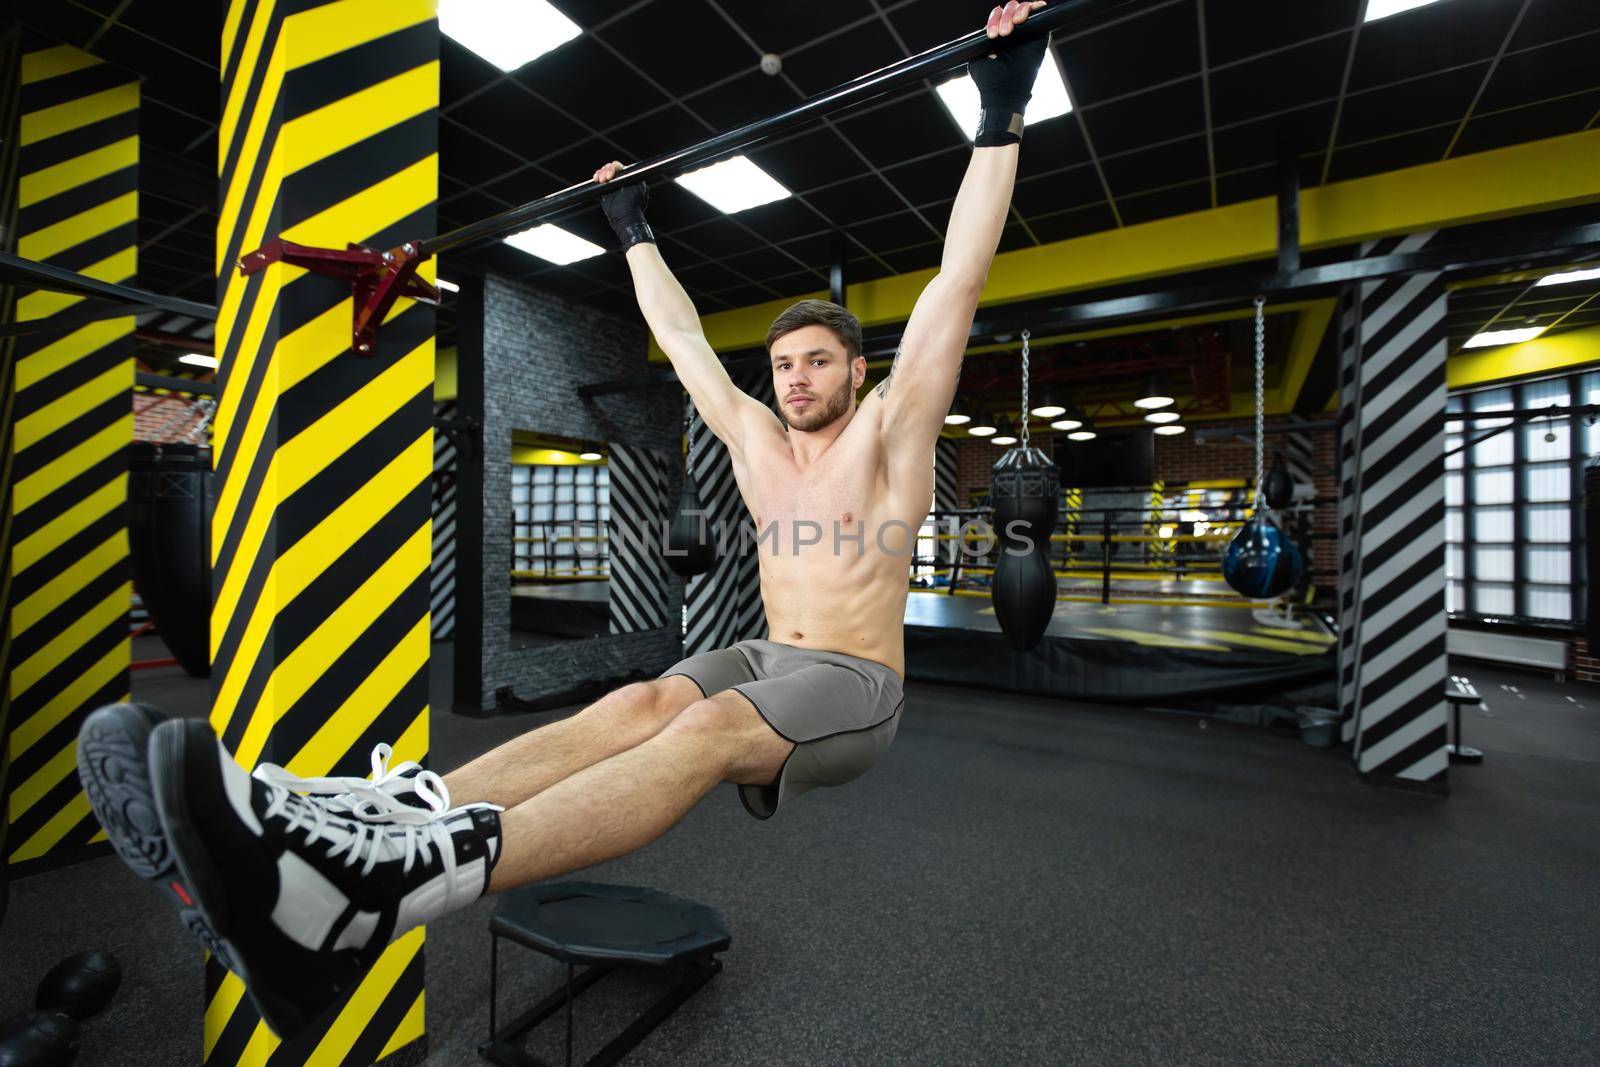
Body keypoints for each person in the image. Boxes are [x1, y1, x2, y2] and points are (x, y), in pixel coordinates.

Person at [75, 2, 1052, 1040]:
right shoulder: (754, 435)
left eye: (818, 360)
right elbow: (676, 335)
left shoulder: (891, 430)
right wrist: (629, 225)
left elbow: (957, 280)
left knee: (708, 726)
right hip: (768, 653)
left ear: (857, 369)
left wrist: (1001, 105)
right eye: (782, 362)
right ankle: (377, 820)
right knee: (636, 701)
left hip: (858, 683)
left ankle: (391, 893)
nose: (797, 376)